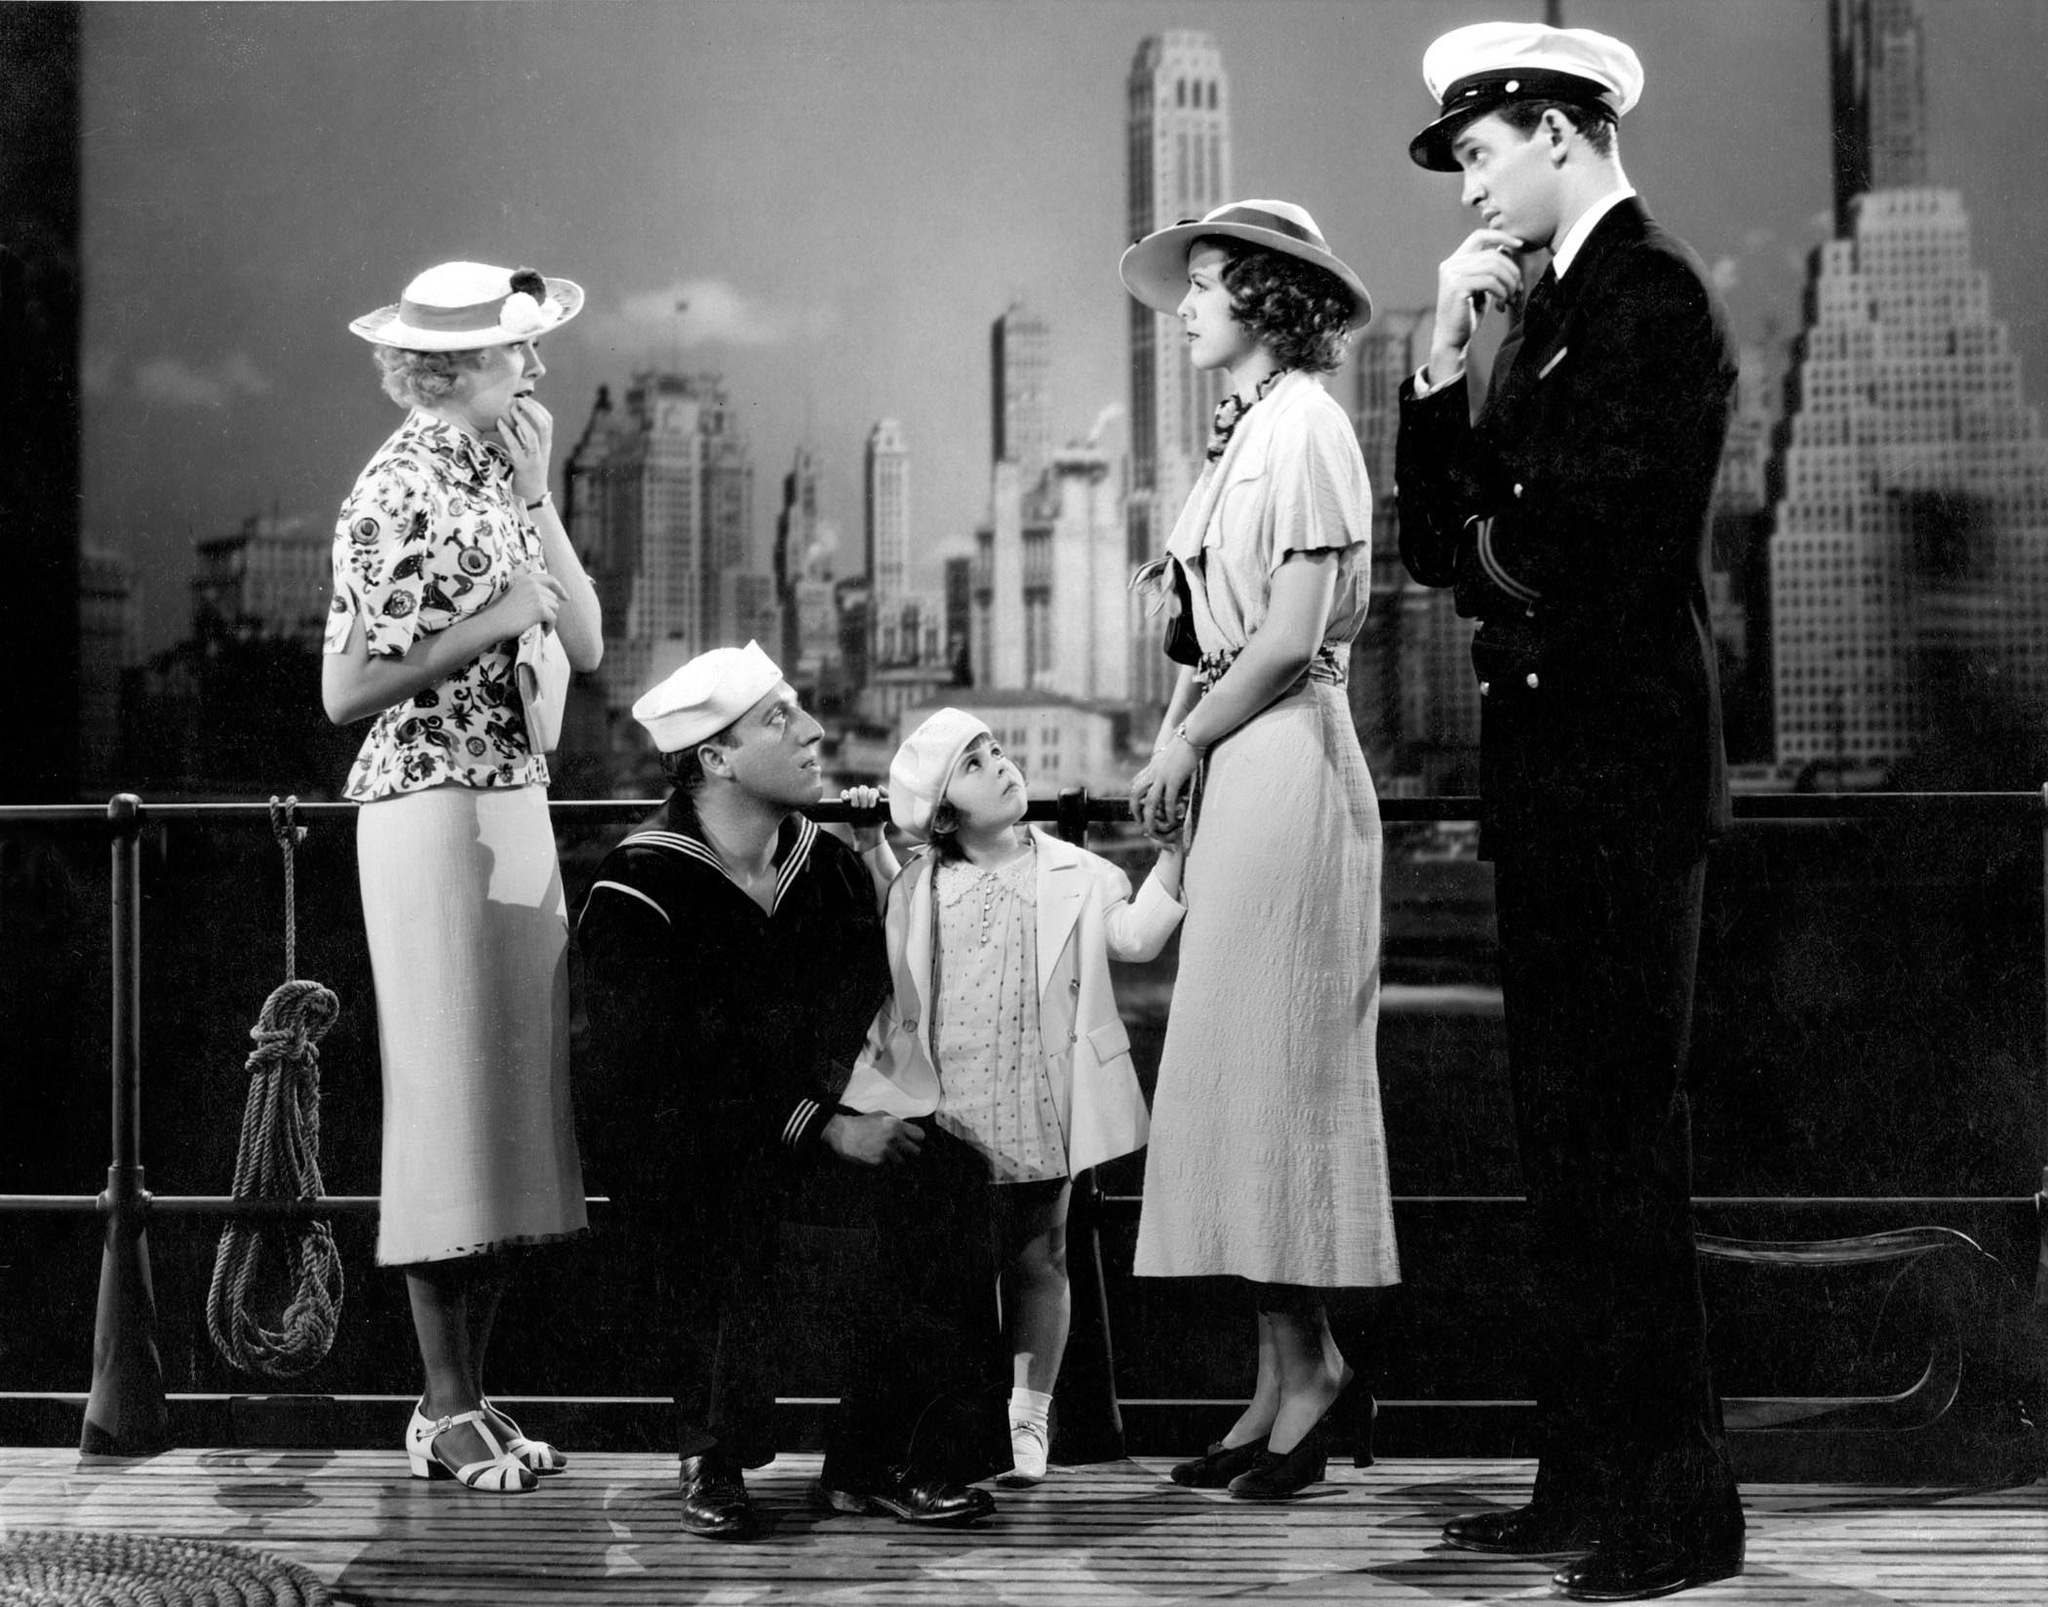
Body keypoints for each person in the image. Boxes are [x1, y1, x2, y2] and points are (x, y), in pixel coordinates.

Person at [1394, 21, 1743, 1599]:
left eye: (1477, 153)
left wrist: (1485, 527)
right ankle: (1584, 1483)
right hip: (1553, 772)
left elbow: (1582, 531)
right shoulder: (1538, 311)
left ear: (1554, 127)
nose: (1469, 188)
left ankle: (1678, 1514)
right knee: (1564, 1145)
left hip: (1620, 772)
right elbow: (1439, 541)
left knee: (1621, 1148)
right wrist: (1432, 370)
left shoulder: (1648, 294)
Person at [574, 644, 999, 1540]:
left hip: (822, 1122)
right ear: (714, 759)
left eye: (800, 710)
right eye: (779, 719)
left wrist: (867, 1110)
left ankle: (875, 1459)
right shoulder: (637, 887)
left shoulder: (825, 862)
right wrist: (819, 1128)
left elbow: (870, 1011)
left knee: (948, 1177)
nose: (813, 732)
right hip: (691, 1150)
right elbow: (648, 1082)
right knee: (717, 1194)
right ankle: (713, 1449)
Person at [1121, 200, 1398, 1500]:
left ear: (1269, 300)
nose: (1184, 302)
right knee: (1238, 1081)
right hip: (1243, 760)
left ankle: (1316, 1374)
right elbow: (1219, 642)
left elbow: (1289, 636)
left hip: (1291, 763)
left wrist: (1189, 742)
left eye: (1208, 283)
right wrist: (1176, 734)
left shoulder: (1308, 427)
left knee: (1278, 1072)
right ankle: (1278, 1377)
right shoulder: (1239, 440)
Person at [323, 260, 602, 1492]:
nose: (535, 369)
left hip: (511, 798)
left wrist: (538, 497)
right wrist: (493, 623)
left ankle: (470, 1399)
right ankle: (443, 1407)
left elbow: (585, 640)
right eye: (515, 353)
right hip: (429, 807)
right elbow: (345, 689)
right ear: (450, 367)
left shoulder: (493, 472)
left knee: (506, 1117)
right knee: (447, 1104)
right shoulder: (391, 487)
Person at [842, 707, 1185, 1486]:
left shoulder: (1077, 871)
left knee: (1042, 1257)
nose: (1001, 763)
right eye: (975, 762)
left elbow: (1135, 938)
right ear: (944, 812)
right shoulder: (921, 884)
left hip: (1036, 1095)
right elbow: (893, 938)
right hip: (950, 1105)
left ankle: (1029, 1415)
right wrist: (869, 844)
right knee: (955, 1270)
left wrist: (1173, 858)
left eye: (996, 748)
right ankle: (959, 1421)